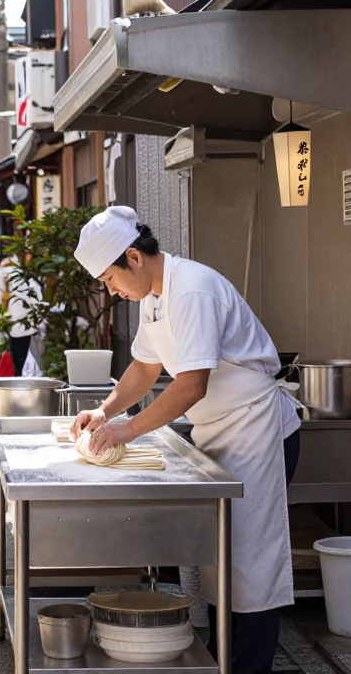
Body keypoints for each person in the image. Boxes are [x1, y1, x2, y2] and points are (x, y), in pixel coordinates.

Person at [68, 206, 301, 674]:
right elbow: (144, 368)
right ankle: (220, 660)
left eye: (110, 279)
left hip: (256, 428)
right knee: (218, 556)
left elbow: (192, 385)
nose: (112, 291)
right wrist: (106, 410)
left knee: (249, 564)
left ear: (134, 257)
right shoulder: (154, 296)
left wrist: (128, 429)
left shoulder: (192, 288)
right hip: (217, 432)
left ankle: (249, 667)